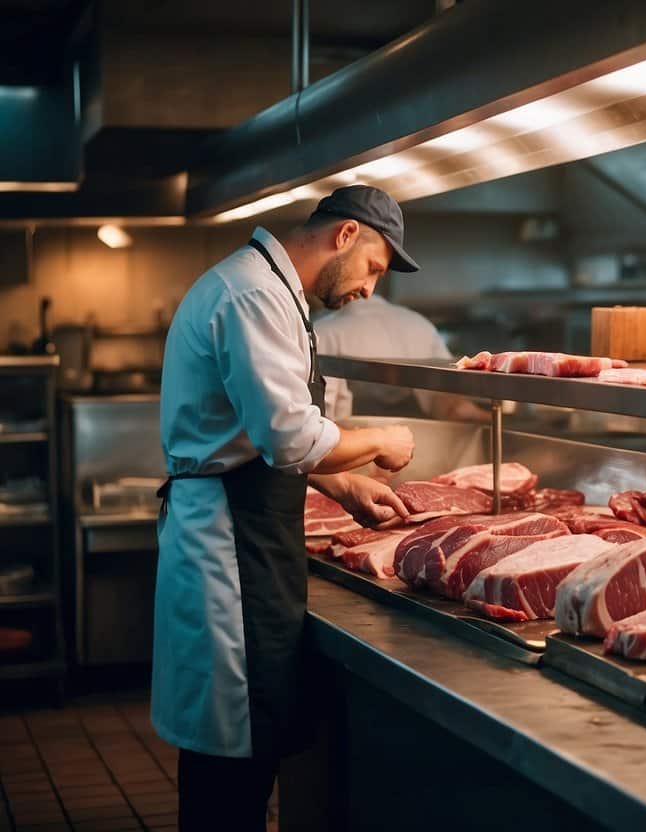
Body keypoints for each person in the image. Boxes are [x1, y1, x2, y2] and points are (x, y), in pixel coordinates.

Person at [155, 185, 421, 831]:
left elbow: (253, 430)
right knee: (231, 764)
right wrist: (381, 440)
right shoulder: (253, 294)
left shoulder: (267, 288)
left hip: (244, 531)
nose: (368, 291)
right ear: (346, 236)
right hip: (230, 547)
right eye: (373, 271)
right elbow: (289, 436)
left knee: (241, 752)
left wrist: (342, 485)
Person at [315, 290, 488, 422]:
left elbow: (324, 416)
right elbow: (450, 401)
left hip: (356, 447)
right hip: (420, 442)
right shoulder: (419, 323)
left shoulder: (324, 330)